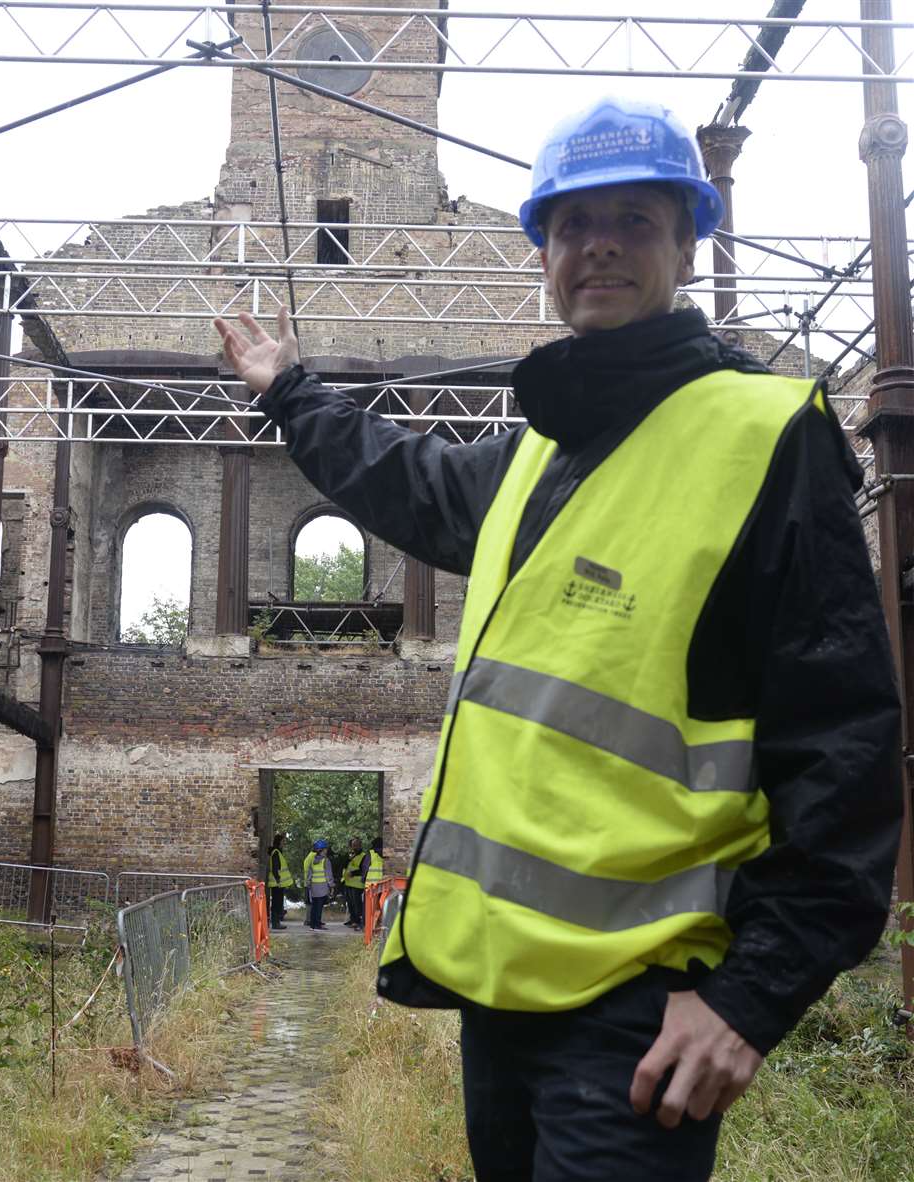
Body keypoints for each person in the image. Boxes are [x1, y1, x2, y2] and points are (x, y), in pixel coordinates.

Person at [215, 96, 902, 1182]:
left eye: (634, 221)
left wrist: (748, 1001)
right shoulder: (539, 454)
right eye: (575, 225)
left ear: (686, 241)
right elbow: (411, 482)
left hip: (640, 1013)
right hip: (500, 997)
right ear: (544, 250)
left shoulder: (767, 436)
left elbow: (847, 750)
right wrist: (294, 394)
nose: (601, 247)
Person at [266, 832, 293, 931]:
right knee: (277, 903)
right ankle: (275, 923)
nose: (284, 843)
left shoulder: (277, 852)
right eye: (283, 841)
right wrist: (278, 880)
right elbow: (275, 868)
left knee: (278, 903)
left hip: (278, 883)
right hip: (277, 883)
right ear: (279, 842)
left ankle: (276, 922)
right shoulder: (276, 853)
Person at [306, 838, 334, 931]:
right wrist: (331, 886)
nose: (327, 850)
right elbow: (328, 875)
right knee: (319, 906)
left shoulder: (313, 861)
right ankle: (318, 925)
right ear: (322, 850)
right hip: (322, 887)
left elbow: (309, 875)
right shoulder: (326, 861)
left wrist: (309, 885)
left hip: (314, 887)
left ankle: (312, 925)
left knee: (314, 905)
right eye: (326, 849)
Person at [342, 837, 365, 929]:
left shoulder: (364, 856)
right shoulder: (350, 855)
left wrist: (353, 873)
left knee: (357, 904)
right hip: (348, 883)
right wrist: (348, 859)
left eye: (356, 845)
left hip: (357, 884)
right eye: (353, 845)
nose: (354, 847)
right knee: (350, 904)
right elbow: (344, 866)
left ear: (360, 845)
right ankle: (353, 920)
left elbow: (363, 869)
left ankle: (358, 921)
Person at [301, 840, 317, 928]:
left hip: (308, 882)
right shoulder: (314, 856)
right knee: (313, 902)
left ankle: (308, 919)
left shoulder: (309, 856)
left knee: (309, 902)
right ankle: (310, 920)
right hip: (313, 883)